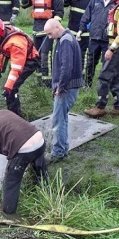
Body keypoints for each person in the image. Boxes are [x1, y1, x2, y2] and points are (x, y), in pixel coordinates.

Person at [43, 19, 83, 162]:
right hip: (69, 86)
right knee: (63, 118)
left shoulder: (65, 41)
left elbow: (66, 67)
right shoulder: (65, 38)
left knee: (58, 120)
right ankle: (63, 148)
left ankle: (58, 152)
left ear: (57, 27)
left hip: (66, 88)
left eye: (49, 33)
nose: (49, 37)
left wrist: (60, 87)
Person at [0, 17, 41, 117]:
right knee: (8, 87)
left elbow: (16, 69)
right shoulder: (1, 38)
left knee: (11, 89)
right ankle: (12, 114)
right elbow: (0, 52)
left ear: (0, 32)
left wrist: (8, 87)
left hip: (30, 61)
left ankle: (16, 118)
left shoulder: (15, 43)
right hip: (18, 59)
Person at [21, 0, 64, 88]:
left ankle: (49, 82)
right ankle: (39, 81)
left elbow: (60, 12)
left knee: (46, 55)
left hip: (48, 31)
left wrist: (54, 25)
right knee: (37, 55)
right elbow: (24, 5)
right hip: (36, 29)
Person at [78, 0, 115, 88]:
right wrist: (81, 29)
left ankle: (104, 87)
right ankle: (87, 85)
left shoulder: (116, 2)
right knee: (90, 63)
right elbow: (86, 15)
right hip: (94, 38)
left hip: (108, 39)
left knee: (106, 64)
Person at [63, 0, 97, 78]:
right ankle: (71, 74)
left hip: (85, 32)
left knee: (83, 55)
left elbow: (96, 14)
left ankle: (82, 78)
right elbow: (62, 2)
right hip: (72, 29)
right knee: (70, 53)